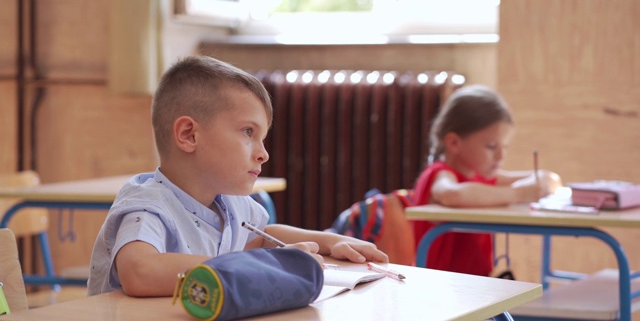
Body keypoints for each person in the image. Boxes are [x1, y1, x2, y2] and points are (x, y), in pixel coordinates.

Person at [88, 55, 388, 297]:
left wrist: (328, 241)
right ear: (189, 135)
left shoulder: (227, 203)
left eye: (263, 138)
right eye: (248, 132)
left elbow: (261, 239)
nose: (263, 154)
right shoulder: (149, 206)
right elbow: (140, 272)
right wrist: (256, 266)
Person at [412, 84, 561, 277]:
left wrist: (542, 181)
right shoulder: (440, 174)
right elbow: (452, 194)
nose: (500, 156)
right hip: (442, 288)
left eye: (505, 147)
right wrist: (518, 194)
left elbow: (551, 178)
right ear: (454, 143)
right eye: (491, 146)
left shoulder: (480, 176)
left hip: (476, 284)